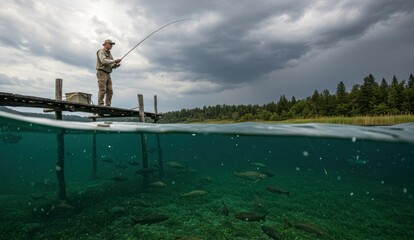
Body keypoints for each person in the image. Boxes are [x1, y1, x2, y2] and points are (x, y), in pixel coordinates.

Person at [96, 39, 122, 107]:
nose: (111, 46)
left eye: (112, 44)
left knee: (110, 91)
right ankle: (100, 105)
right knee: (103, 89)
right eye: (110, 44)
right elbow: (103, 61)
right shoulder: (101, 51)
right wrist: (114, 61)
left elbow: (111, 65)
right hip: (101, 72)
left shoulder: (109, 54)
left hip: (108, 73)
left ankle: (108, 106)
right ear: (105, 44)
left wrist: (116, 65)